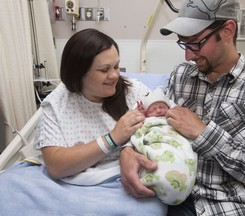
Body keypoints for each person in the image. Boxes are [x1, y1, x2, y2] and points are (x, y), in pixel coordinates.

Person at [119, 0, 245, 215]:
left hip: (240, 204)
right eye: (184, 44)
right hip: (180, 196)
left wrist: (204, 134)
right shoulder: (181, 76)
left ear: (227, 30)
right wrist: (127, 151)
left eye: (196, 44)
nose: (188, 55)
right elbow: (153, 124)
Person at [0, 29, 167, 215]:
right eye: (104, 70)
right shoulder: (57, 104)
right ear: (79, 73)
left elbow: (162, 135)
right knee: (6, 189)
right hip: (65, 182)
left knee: (149, 208)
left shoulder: (135, 93)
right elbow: (56, 166)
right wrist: (112, 138)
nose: (114, 76)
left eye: (117, 66)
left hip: (118, 179)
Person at [129, 88, 197, 205]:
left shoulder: (175, 120)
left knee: (181, 158)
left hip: (174, 142)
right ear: (147, 113)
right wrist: (143, 117)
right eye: (153, 109)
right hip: (156, 142)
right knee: (156, 162)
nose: (159, 110)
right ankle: (157, 181)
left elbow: (187, 135)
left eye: (162, 107)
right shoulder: (148, 120)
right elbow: (137, 132)